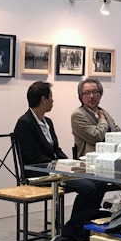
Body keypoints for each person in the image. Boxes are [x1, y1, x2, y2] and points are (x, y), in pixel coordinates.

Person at [13, 81, 110, 219]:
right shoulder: (24, 123)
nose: (53, 100)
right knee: (88, 187)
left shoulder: (48, 122)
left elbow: (56, 150)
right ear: (43, 99)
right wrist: (59, 165)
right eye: (51, 97)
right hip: (39, 173)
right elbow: (32, 157)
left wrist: (69, 163)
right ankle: (75, 225)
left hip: (55, 169)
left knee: (100, 182)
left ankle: (86, 222)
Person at [71, 78, 121, 158]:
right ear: (81, 97)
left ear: (100, 95)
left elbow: (117, 132)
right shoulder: (78, 115)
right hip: (90, 160)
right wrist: (102, 119)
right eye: (87, 93)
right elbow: (97, 137)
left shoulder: (104, 112)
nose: (91, 96)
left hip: (110, 157)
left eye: (95, 92)